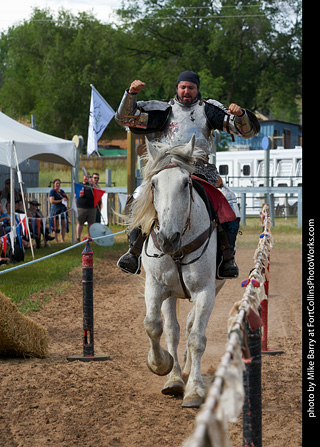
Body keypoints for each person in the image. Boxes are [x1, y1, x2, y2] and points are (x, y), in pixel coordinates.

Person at [115, 70, 260, 277]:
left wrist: (240, 115)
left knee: (229, 199)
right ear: (177, 88)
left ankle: (227, 257)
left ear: (197, 89)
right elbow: (125, 119)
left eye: (191, 87)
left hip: (199, 168)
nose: (186, 91)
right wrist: (131, 94)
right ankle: (134, 251)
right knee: (139, 195)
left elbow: (246, 132)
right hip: (167, 167)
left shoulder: (208, 111)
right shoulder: (164, 110)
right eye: (183, 87)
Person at [76, 172, 96, 242]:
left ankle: (90, 237)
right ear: (83, 177)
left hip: (91, 207)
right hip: (81, 207)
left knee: (90, 223)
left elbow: (99, 190)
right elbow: (75, 195)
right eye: (85, 176)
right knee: (80, 223)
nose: (87, 178)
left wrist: (93, 183)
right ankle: (78, 237)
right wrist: (79, 195)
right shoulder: (79, 184)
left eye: (88, 176)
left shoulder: (92, 185)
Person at [49, 179, 68, 243]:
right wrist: (61, 200)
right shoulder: (52, 191)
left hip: (62, 209)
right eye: (57, 183)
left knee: (63, 224)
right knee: (55, 225)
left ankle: (62, 239)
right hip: (56, 209)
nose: (58, 184)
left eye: (59, 183)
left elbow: (65, 198)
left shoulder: (62, 191)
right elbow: (52, 201)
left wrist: (65, 200)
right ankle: (56, 239)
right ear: (54, 184)